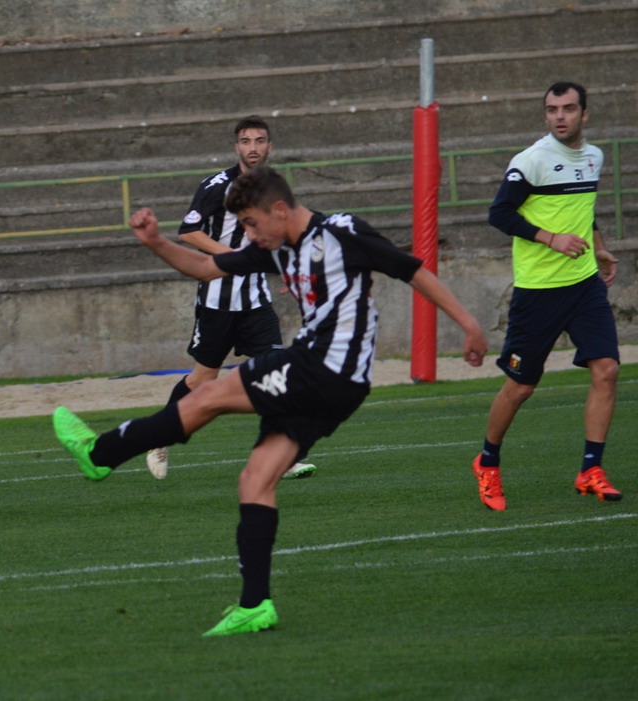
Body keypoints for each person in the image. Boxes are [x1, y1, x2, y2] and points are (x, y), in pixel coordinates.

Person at [54, 166, 486, 636]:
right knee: (255, 480)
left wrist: (469, 325)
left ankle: (100, 454)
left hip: (323, 368)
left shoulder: (341, 232)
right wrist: (155, 241)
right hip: (336, 384)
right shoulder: (275, 247)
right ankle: (255, 605)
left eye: (251, 223)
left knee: (210, 395)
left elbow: (412, 270)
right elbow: (206, 267)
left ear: (279, 209)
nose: (248, 233)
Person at [473, 81, 622, 510]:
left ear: (584, 114)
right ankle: (487, 462)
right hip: (538, 291)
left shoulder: (594, 157)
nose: (560, 116)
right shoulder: (531, 161)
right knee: (521, 387)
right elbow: (499, 213)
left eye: (569, 108)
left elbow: (584, 208)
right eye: (553, 109)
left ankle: (590, 469)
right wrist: (550, 238)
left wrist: (599, 247)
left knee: (607, 370)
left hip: (585, 284)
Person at [146, 115, 315, 482]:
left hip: (256, 300)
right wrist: (231, 257)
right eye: (246, 141)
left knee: (275, 370)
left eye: (259, 140)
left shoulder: (275, 188)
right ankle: (160, 438)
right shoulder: (216, 186)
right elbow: (188, 231)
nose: (253, 147)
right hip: (217, 301)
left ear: (270, 147)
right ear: (236, 146)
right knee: (202, 379)